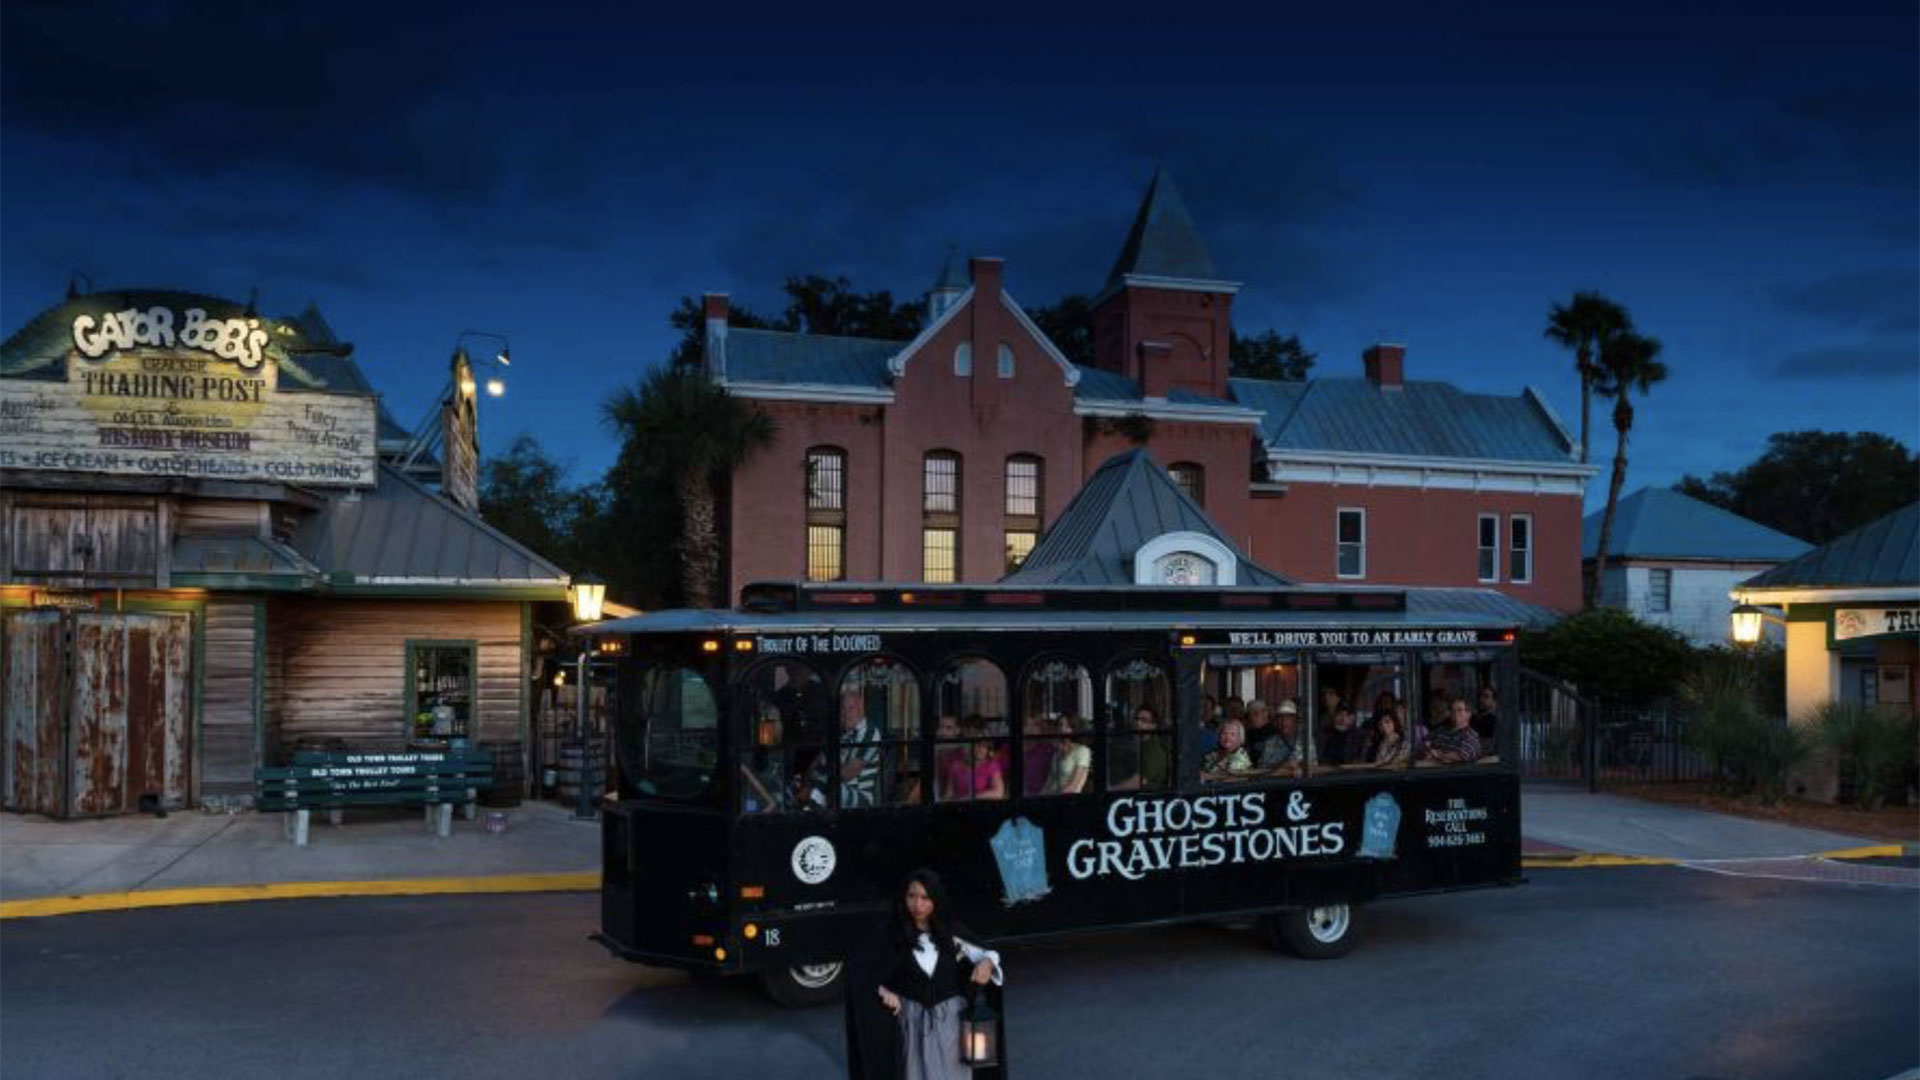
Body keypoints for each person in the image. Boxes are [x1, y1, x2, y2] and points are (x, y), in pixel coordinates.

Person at [848, 869, 1003, 1080]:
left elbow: (988, 953)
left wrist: (987, 963)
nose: (917, 905)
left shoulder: (951, 933)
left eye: (925, 897)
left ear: (935, 900)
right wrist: (883, 990)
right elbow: (862, 972)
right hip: (910, 1024)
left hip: (951, 1024)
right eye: (911, 896)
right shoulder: (893, 935)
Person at [839, 694, 884, 808]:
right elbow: (821, 762)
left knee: (830, 791)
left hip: (861, 796)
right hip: (842, 789)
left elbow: (850, 772)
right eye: (843, 709)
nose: (846, 713)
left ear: (861, 710)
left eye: (851, 708)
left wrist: (822, 783)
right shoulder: (844, 736)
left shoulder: (870, 733)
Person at [1041, 714, 1091, 795]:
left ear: (1074, 728)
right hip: (1049, 797)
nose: (1062, 729)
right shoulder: (1057, 753)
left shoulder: (1082, 751)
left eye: (1067, 726)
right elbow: (1049, 781)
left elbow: (1075, 786)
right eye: (1060, 725)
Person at [1426, 696, 1483, 764]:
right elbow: (1425, 744)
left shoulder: (1470, 735)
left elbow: (1460, 756)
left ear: (1468, 714)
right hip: (1430, 768)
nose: (1455, 713)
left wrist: (1438, 755)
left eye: (1459, 710)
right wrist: (1426, 751)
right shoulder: (1440, 731)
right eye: (1452, 710)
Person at [1255, 700, 1309, 771]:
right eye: (1280, 718)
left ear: (1295, 720)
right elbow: (1261, 769)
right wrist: (1284, 765)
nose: (1283, 722)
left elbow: (1313, 765)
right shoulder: (1270, 743)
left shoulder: (1306, 741)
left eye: (1288, 718)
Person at [1020, 713, 1057, 797]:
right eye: (1027, 724)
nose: (1031, 729)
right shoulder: (1010, 749)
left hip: (1041, 797)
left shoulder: (1049, 749)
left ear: (1041, 729)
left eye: (1035, 725)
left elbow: (1053, 778)